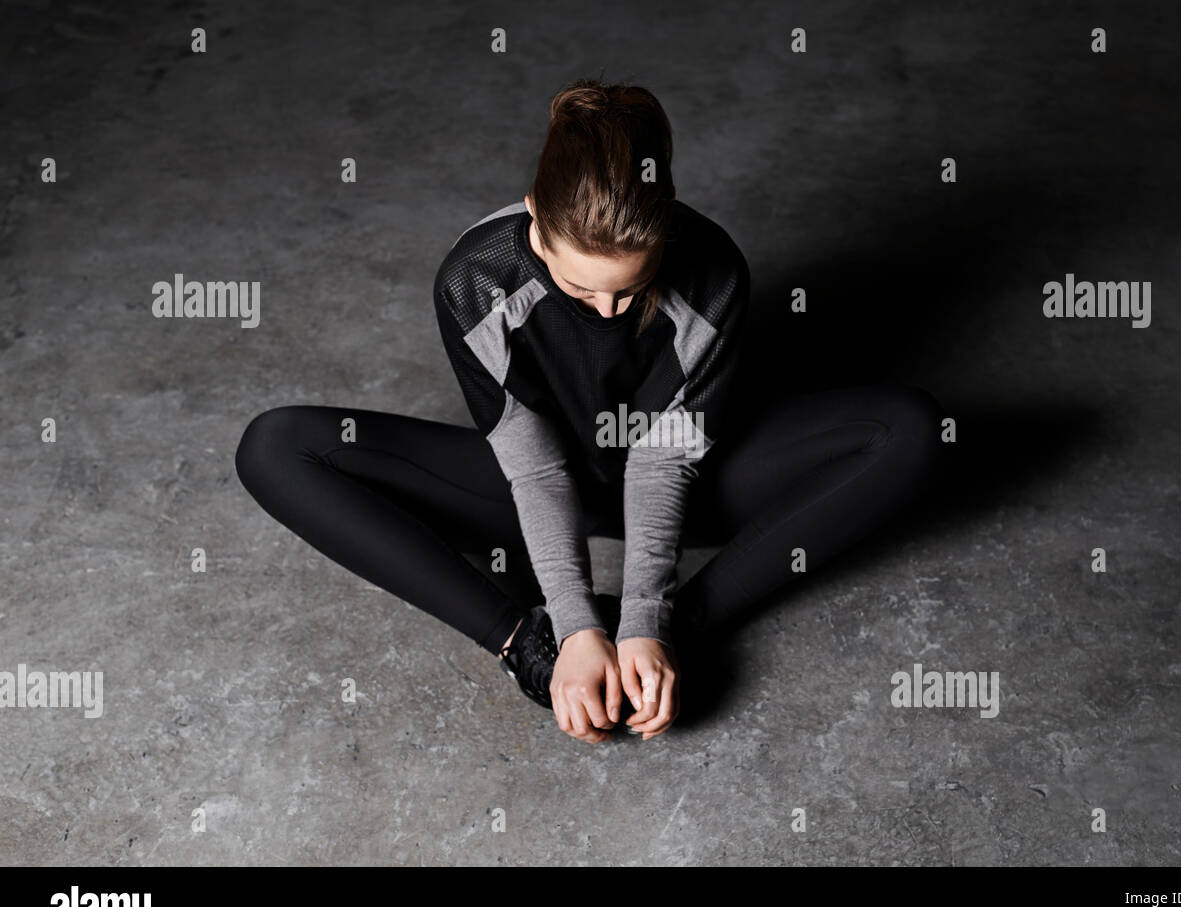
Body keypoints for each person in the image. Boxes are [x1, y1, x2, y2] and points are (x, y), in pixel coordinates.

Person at [234, 77, 945, 745]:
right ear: (537, 214)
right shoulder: (474, 277)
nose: (608, 311)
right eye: (583, 291)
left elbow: (666, 462)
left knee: (908, 430)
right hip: (537, 489)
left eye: (630, 292)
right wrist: (573, 628)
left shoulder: (714, 269)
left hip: (694, 484)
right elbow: (535, 470)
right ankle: (526, 645)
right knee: (277, 446)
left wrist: (644, 620)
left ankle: (673, 633)